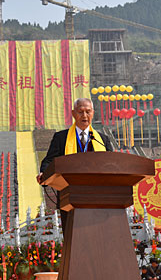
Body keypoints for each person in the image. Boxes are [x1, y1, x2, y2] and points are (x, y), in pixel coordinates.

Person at [37, 98, 113, 232]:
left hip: (98, 199)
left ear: (93, 113)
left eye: (88, 112)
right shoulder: (61, 138)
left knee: (98, 237)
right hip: (69, 197)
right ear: (73, 113)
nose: (84, 116)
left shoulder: (102, 140)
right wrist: (43, 173)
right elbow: (49, 161)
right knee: (73, 238)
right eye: (80, 112)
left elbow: (112, 164)